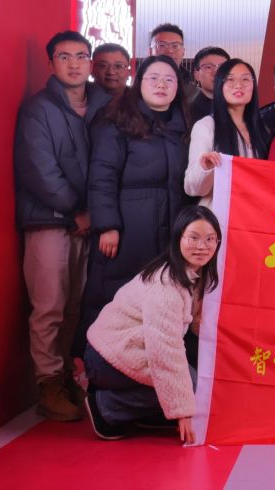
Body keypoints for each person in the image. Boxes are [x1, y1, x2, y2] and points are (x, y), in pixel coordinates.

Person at [14, 30, 111, 422]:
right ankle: (48, 382)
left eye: (81, 56)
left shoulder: (104, 105)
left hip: (90, 222)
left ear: (90, 62)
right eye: (64, 56)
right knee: (49, 305)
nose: (74, 64)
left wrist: (96, 212)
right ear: (51, 62)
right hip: (49, 221)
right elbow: (40, 169)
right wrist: (77, 211)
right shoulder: (39, 109)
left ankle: (69, 374)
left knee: (76, 306)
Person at [79, 55, 191, 356]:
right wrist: (108, 226)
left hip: (169, 228)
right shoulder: (117, 121)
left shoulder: (183, 126)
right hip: (128, 228)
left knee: (160, 299)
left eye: (169, 79)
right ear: (139, 82)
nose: (161, 85)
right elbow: (102, 176)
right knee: (114, 293)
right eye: (153, 78)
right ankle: (96, 364)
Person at [83, 205, 220, 443]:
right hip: (106, 357)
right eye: (194, 238)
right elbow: (164, 351)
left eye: (210, 239)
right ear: (178, 238)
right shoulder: (166, 285)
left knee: (194, 381)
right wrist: (183, 412)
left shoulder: (193, 274)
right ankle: (106, 406)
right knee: (191, 387)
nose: (202, 246)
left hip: (127, 349)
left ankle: (149, 412)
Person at [185, 58, 269, 206]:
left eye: (245, 79)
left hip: (254, 212)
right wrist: (205, 168)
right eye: (230, 79)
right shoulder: (206, 126)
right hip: (220, 213)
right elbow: (192, 188)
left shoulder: (262, 128)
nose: (238, 85)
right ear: (219, 86)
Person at [149, 23, 196, 99]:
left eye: (175, 46)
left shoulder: (195, 94)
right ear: (150, 51)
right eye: (162, 45)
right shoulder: (137, 90)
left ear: (183, 51)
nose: (169, 51)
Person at [190, 46, 230, 124]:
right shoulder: (189, 113)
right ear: (196, 74)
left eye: (222, 67)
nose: (216, 73)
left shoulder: (241, 107)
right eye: (208, 67)